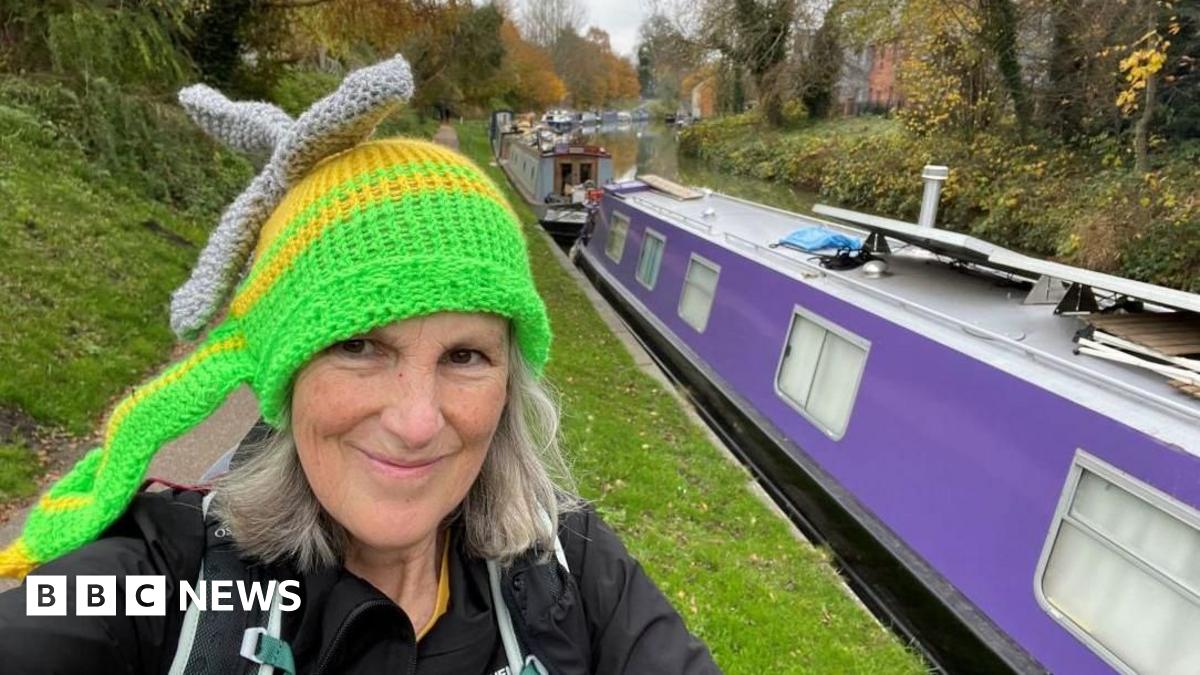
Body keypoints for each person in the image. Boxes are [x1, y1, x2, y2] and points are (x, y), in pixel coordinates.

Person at [0, 55, 720, 674]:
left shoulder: (573, 567)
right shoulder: (164, 580)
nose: (414, 421)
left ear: (508, 381)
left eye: (465, 355)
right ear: (288, 369)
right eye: (358, 347)